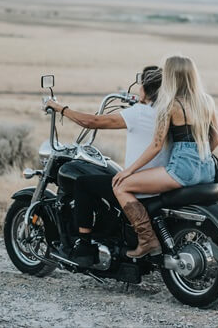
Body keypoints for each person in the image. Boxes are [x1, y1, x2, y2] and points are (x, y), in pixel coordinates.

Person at [44, 66, 170, 266]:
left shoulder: (139, 113)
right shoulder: (168, 113)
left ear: (145, 89)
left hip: (139, 184)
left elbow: (92, 121)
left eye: (141, 86)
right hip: (161, 180)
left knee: (84, 184)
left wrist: (61, 109)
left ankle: (84, 247)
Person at [112, 55, 218, 258]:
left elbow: (156, 146)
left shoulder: (170, 105)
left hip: (181, 171)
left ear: (171, 76)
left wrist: (128, 171)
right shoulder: (207, 101)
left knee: (121, 186)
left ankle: (147, 241)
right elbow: (216, 139)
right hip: (206, 169)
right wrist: (197, 159)